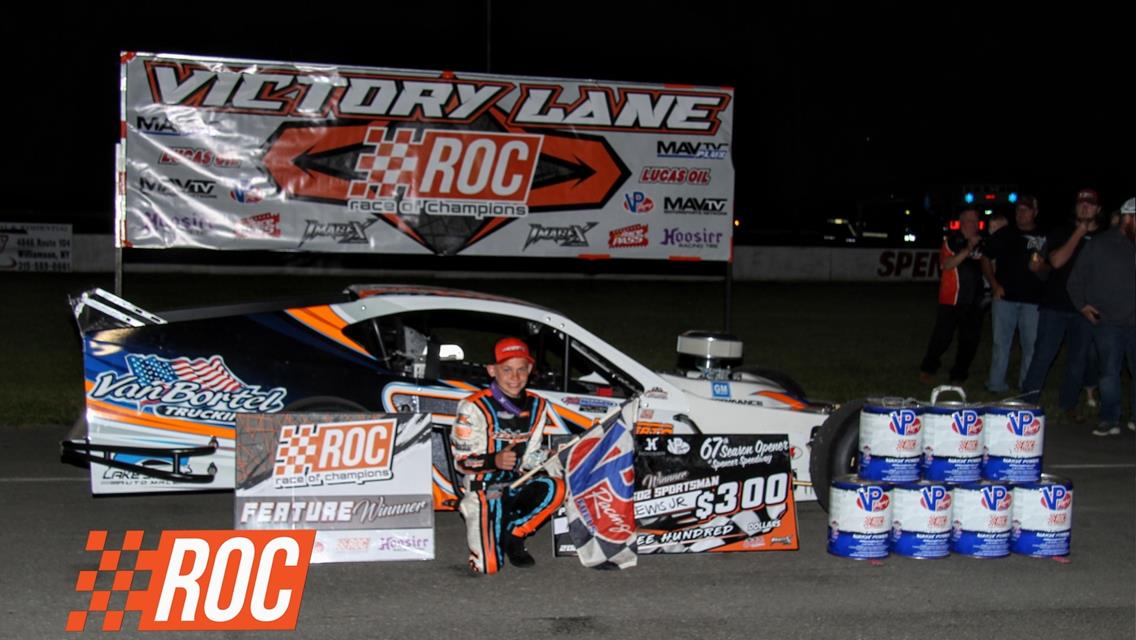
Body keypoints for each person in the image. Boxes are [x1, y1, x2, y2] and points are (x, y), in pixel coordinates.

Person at [451, 337, 565, 574]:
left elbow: (530, 456)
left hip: (516, 482)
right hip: (484, 487)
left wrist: (552, 456)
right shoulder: (473, 407)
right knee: (488, 567)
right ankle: (479, 516)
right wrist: (495, 460)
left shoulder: (538, 405)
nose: (515, 377)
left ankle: (514, 533)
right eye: (507, 370)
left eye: (521, 369)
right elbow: (461, 462)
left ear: (530, 370)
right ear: (492, 371)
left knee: (558, 486)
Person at [1021, 189, 1103, 421]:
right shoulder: (1062, 232)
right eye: (1081, 204)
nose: (1085, 207)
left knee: (1078, 359)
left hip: (1084, 309)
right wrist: (1079, 232)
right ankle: (1027, 401)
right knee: (1043, 355)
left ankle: (1069, 404)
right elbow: (1055, 261)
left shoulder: (1104, 237)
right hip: (1055, 306)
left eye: (1090, 204)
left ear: (1098, 209)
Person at [1067, 197, 1136, 436]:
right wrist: (1082, 305)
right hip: (1107, 322)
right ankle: (1110, 418)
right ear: (1128, 218)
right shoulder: (1100, 243)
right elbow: (1075, 279)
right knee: (1108, 372)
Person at [981, 195, 1045, 392]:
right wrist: (994, 284)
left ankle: (1026, 387)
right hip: (1005, 298)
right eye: (1018, 210)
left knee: (1031, 346)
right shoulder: (1004, 233)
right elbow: (985, 257)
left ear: (1035, 212)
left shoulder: (1045, 236)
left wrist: (1042, 268)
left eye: (1025, 210)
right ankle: (996, 384)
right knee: (1001, 344)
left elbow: (1053, 265)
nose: (1021, 213)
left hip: (1033, 300)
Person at [919, 206, 986, 384]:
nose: (974, 224)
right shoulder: (953, 241)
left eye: (976, 221)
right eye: (970, 220)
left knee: (969, 340)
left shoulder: (983, 242)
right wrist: (968, 249)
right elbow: (946, 265)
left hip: (974, 300)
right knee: (942, 337)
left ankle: (959, 374)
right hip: (952, 299)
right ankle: (928, 368)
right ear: (962, 223)